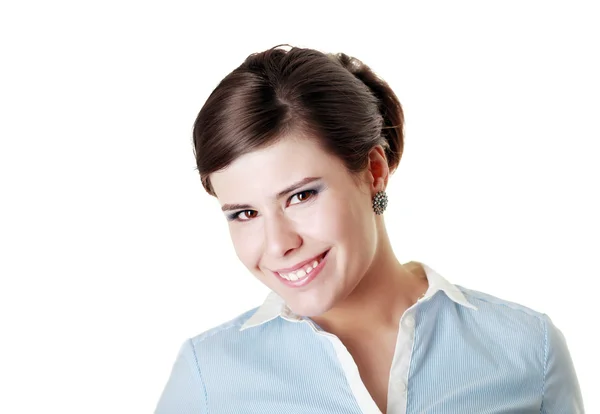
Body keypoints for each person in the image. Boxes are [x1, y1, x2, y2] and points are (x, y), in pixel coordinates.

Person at [155, 45, 584, 414]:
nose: (278, 244)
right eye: (244, 213)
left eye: (301, 196)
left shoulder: (528, 349)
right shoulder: (208, 375)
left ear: (374, 170)